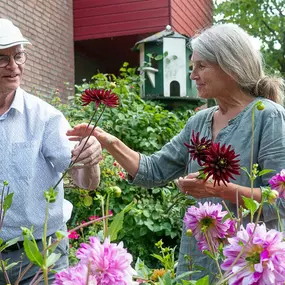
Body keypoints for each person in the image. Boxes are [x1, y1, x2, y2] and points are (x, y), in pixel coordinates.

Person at [67, 23, 285, 281]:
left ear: (231, 65)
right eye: (193, 67)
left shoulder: (267, 116)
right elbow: (153, 170)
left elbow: (279, 202)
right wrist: (108, 141)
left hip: (250, 266)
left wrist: (217, 189)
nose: (193, 75)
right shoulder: (199, 122)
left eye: (201, 66)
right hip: (198, 264)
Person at [0, 19, 102, 284]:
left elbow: (86, 183)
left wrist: (89, 160)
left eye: (19, 55)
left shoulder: (44, 118)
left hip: (40, 256)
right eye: (2, 59)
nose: (14, 67)